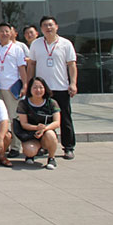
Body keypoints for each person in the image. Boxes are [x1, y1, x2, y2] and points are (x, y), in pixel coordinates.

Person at [27, 15, 77, 160]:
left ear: (56, 27)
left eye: (50, 25)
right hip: (41, 90)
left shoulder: (66, 44)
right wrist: (29, 84)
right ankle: (43, 146)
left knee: (65, 118)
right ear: (41, 29)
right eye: (45, 25)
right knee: (41, 119)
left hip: (61, 87)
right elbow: (32, 65)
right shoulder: (36, 44)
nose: (48, 28)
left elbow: (71, 65)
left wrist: (73, 83)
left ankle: (68, 147)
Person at [0, 22, 28, 158]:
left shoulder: (17, 49)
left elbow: (22, 69)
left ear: (11, 33)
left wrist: (25, 85)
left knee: (14, 118)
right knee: (1, 118)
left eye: (7, 31)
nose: (4, 34)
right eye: (2, 31)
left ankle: (15, 146)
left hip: (12, 88)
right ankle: (3, 145)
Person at [16, 77, 61, 169]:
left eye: (41, 87)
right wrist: (36, 128)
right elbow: (24, 124)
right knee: (29, 150)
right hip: (30, 134)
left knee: (51, 134)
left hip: (46, 133)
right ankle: (31, 155)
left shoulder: (52, 103)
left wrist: (44, 129)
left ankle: (51, 158)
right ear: (30, 89)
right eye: (35, 87)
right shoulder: (23, 103)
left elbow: (57, 122)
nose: (38, 90)